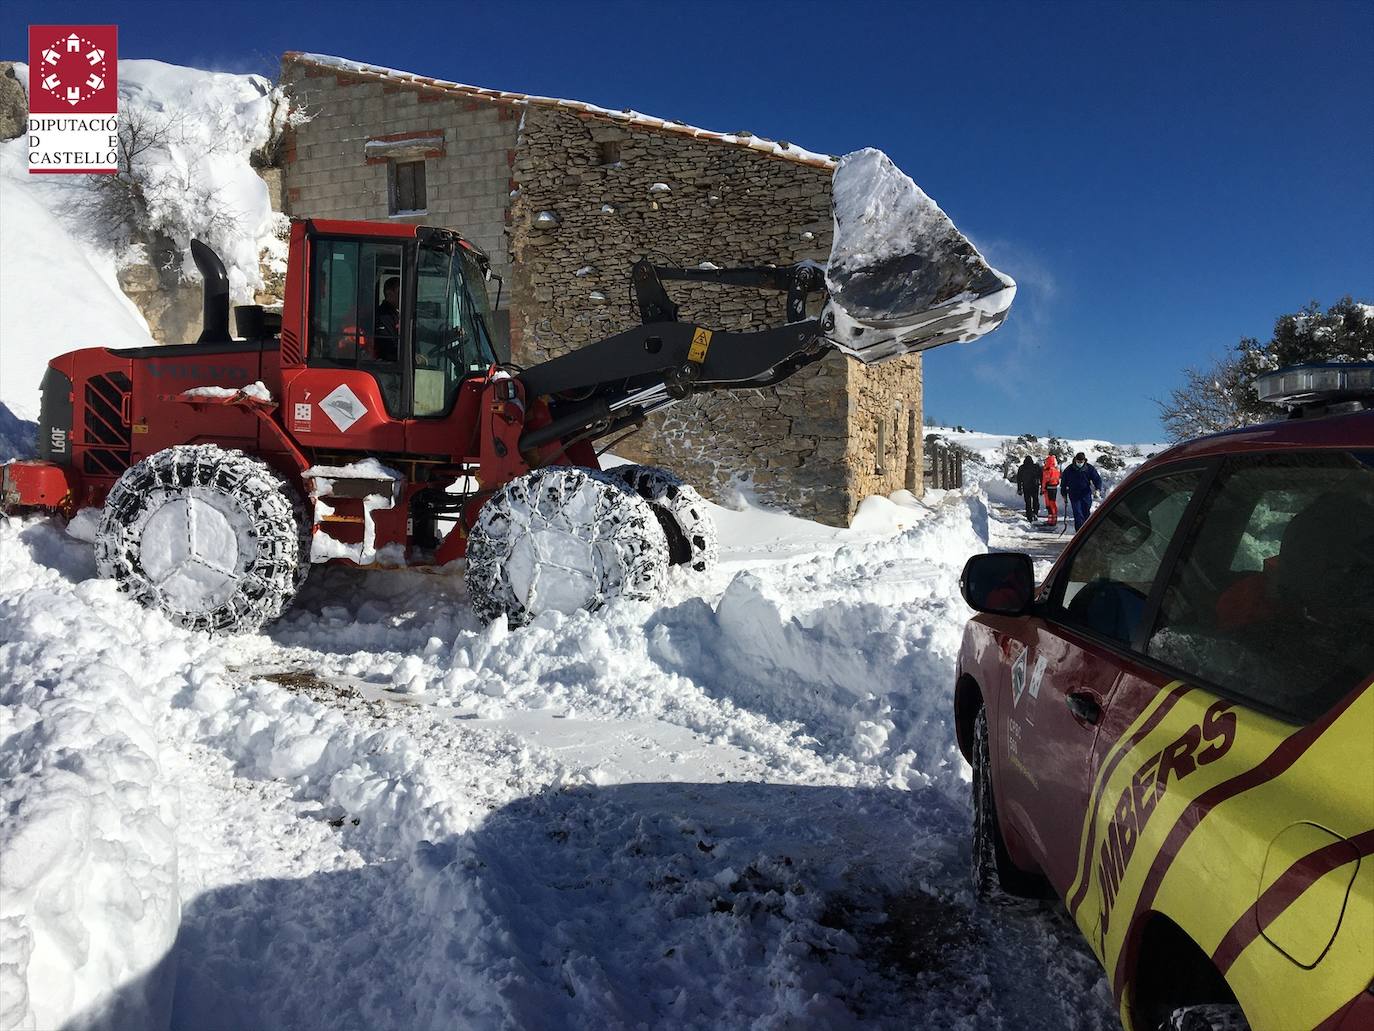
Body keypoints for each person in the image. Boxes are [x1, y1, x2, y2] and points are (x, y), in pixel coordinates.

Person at [1060, 451, 1104, 532]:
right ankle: (1079, 533)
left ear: (1084, 461)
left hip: (1086, 494)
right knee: (1078, 513)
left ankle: (1085, 532)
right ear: (1075, 460)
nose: (1079, 463)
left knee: (1086, 513)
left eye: (1081, 462)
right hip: (1074, 494)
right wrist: (1064, 495)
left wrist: (1098, 489)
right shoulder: (1069, 470)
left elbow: (1097, 479)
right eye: (1078, 462)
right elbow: (1063, 483)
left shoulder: (1089, 468)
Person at [374, 277, 401, 361]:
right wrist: (411, 357)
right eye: (400, 292)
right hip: (388, 366)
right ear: (389, 293)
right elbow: (388, 346)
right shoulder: (383, 315)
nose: (404, 296)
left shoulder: (395, 314)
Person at [1015, 455, 1042, 523]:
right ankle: (1035, 513)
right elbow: (1041, 476)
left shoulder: (1022, 467)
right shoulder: (1036, 466)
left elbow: (1019, 479)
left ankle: (1029, 516)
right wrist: (1041, 486)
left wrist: (1019, 489)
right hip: (1035, 487)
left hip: (1026, 487)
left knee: (1028, 502)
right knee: (1035, 500)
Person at [1042, 454, 1061, 528]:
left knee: (1049, 505)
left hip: (1048, 489)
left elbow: (1045, 480)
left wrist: (1043, 489)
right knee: (1053, 504)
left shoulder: (1047, 470)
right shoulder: (1056, 470)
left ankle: (1051, 520)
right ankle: (1053, 519)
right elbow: (1057, 480)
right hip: (1054, 488)